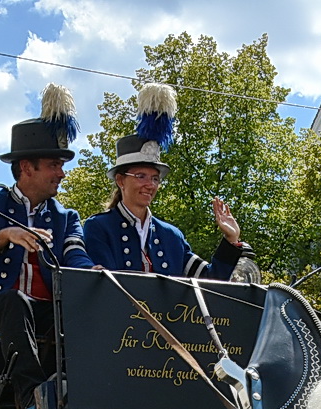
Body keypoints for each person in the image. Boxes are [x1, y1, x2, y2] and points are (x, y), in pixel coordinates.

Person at [0, 84, 95, 402]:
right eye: (54, 165)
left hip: (45, 311)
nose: (61, 173)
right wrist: (6, 235)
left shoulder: (66, 217)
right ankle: (31, 398)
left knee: (86, 314)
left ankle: (90, 394)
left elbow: (76, 255)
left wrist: (94, 272)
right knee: (14, 302)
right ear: (26, 168)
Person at [81, 84, 252, 281]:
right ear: (120, 180)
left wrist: (231, 240)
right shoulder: (99, 227)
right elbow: (103, 288)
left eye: (155, 178)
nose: (150, 185)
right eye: (141, 176)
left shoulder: (171, 235)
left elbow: (209, 282)